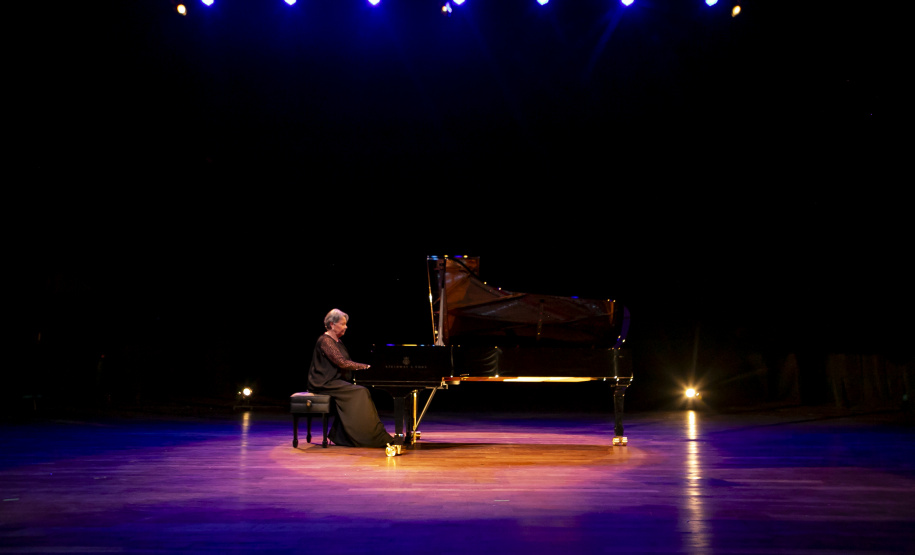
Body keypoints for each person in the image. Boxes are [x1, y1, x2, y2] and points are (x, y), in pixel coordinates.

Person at [308, 308, 394, 448]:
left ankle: (342, 436)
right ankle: (371, 436)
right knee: (361, 392)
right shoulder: (325, 341)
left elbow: (346, 362)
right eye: (342, 324)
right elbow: (342, 362)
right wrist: (365, 367)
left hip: (334, 381)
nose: (346, 327)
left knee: (361, 391)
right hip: (324, 382)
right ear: (332, 324)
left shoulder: (338, 341)